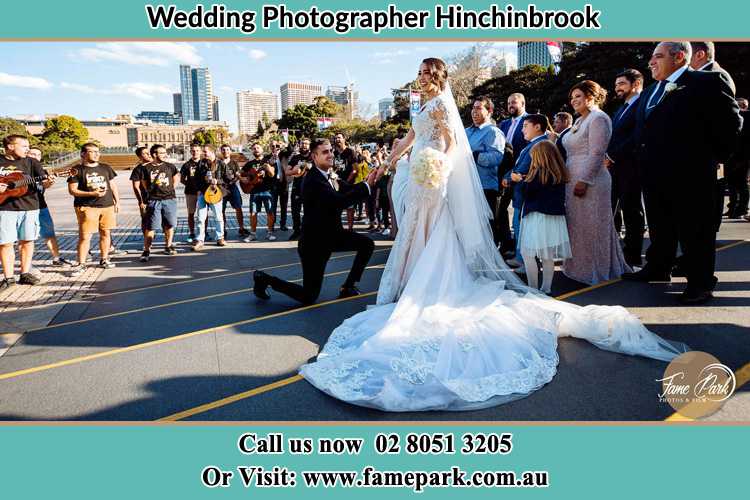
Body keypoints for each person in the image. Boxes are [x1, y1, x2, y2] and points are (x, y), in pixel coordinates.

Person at [298, 57, 685, 412]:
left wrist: (437, 170)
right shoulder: (421, 108)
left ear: (436, 78)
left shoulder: (442, 107)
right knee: (413, 234)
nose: (420, 79)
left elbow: (449, 147)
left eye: (424, 74)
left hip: (432, 179)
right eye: (419, 74)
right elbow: (410, 138)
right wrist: (390, 161)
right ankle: (407, 283)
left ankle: (426, 287)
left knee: (432, 234)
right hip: (417, 179)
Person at [625, 42, 742, 304]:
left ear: (679, 56)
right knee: (659, 225)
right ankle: (658, 268)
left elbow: (731, 124)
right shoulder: (651, 91)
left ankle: (700, 283)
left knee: (695, 230)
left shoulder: (706, 82)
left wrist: (710, 160)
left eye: (658, 56)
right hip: (653, 174)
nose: (651, 62)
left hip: (692, 175)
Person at [252, 138, 378, 304]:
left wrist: (368, 181)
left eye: (331, 151)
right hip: (314, 244)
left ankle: (348, 286)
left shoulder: (329, 175)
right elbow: (339, 201)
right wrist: (366, 187)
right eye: (325, 152)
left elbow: (348, 190)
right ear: (314, 157)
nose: (331, 155)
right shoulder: (313, 180)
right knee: (309, 296)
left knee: (367, 245)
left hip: (333, 235)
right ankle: (264, 279)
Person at [562, 80, 630, 285]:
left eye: (578, 97)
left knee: (593, 226)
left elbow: (597, 152)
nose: (574, 101)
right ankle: (578, 267)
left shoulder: (598, 118)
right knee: (577, 227)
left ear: (590, 97)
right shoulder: (579, 120)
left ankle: (596, 268)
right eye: (572, 98)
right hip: (572, 178)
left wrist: (584, 180)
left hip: (591, 181)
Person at [518, 140, 571, 294]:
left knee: (527, 254)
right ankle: (546, 288)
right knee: (547, 256)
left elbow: (527, 193)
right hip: (554, 219)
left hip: (537, 217)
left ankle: (533, 289)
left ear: (540, 157)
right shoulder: (559, 173)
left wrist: (520, 181)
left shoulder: (538, 174)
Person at [606, 69, 645, 267]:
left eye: (621, 83)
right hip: (615, 168)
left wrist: (612, 156)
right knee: (614, 209)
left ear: (635, 84)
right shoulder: (621, 108)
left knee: (632, 210)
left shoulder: (641, 104)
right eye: (616, 85)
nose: (617, 88)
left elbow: (636, 136)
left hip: (632, 166)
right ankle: (617, 251)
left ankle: (633, 255)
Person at [502, 114, 550, 271]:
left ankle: (525, 262)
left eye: (525, 126)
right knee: (518, 227)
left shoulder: (540, 145)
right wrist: (508, 176)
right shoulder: (532, 144)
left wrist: (511, 177)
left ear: (537, 127)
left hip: (527, 195)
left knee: (522, 229)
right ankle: (521, 258)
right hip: (522, 194)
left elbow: (523, 168)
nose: (522, 130)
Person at [0, 135, 47, 289]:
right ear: (10, 146)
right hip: (4, 208)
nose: (28, 149)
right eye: (24, 146)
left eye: (28, 146)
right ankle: (8, 278)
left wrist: (49, 181)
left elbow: (44, 181)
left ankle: (25, 273)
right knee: (5, 243)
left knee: (27, 241)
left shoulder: (31, 162)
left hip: (29, 206)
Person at [67, 143, 119, 276]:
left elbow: (113, 186)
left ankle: (104, 259)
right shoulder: (77, 169)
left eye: (98, 151)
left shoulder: (106, 168)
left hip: (107, 206)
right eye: (92, 151)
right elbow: (72, 190)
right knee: (85, 236)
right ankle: (81, 264)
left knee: (106, 233)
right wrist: (91, 194)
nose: (97, 154)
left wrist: (117, 202)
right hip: (87, 207)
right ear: (83, 154)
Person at [466, 96, 505, 245]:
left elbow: (496, 157)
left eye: (478, 108)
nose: (474, 112)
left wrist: (474, 156)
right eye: (473, 108)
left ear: (489, 111)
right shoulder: (466, 131)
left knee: (487, 228)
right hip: (466, 186)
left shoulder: (493, 132)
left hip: (485, 186)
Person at [28, 147, 71, 266]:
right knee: (25, 237)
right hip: (22, 207)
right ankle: (26, 264)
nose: (35, 156)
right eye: (32, 154)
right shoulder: (21, 169)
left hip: (40, 205)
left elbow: (45, 185)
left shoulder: (42, 171)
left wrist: (50, 182)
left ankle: (56, 258)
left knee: (49, 233)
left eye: (38, 154)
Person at [497, 93, 529, 253]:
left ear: (522, 103)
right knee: (501, 210)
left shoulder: (531, 121)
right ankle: (507, 243)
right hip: (504, 175)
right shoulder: (503, 124)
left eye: (514, 103)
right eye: (509, 103)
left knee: (520, 213)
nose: (510, 105)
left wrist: (519, 170)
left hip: (523, 173)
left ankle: (522, 250)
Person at [139, 144, 180, 262]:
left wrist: (173, 187)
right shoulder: (146, 168)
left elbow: (176, 176)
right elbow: (144, 183)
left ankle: (168, 246)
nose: (164, 154)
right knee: (151, 226)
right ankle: (146, 250)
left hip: (169, 199)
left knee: (170, 224)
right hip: (154, 200)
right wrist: (151, 194)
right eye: (161, 153)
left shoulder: (170, 166)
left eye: (164, 152)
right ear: (154, 154)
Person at [192, 145, 226, 250]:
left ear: (212, 152)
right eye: (204, 152)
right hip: (203, 193)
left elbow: (228, 178)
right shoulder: (201, 163)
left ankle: (220, 238)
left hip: (216, 193)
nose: (204, 153)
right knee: (200, 218)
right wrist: (198, 189)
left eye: (206, 152)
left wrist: (218, 181)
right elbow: (196, 178)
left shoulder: (221, 163)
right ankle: (200, 240)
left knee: (218, 217)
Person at [241, 143, 276, 241]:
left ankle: (269, 233)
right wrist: (244, 179)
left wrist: (268, 169)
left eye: (258, 148)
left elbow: (272, 174)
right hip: (254, 191)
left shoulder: (268, 161)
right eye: (254, 148)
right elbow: (240, 173)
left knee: (269, 212)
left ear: (262, 149)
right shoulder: (249, 163)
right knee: (253, 213)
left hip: (267, 190)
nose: (256, 149)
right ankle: (253, 234)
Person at [218, 144, 248, 238]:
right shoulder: (218, 163)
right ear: (221, 151)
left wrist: (234, 180)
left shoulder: (234, 163)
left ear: (230, 151)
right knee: (221, 210)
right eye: (223, 150)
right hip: (222, 189)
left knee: (238, 207)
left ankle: (241, 228)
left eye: (227, 150)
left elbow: (238, 174)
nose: (225, 151)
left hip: (233, 187)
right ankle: (223, 229)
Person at [285, 138, 311, 241]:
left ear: (309, 146)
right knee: (295, 211)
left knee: (309, 211)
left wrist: (310, 166)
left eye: (306, 144)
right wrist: (295, 170)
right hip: (297, 187)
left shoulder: (313, 156)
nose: (304, 145)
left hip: (310, 188)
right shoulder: (295, 157)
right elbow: (287, 171)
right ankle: (296, 231)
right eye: (302, 143)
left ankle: (308, 232)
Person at [333, 133, 357, 230]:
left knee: (350, 208)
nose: (337, 139)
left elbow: (355, 169)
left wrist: (346, 182)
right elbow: (331, 167)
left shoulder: (350, 152)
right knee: (335, 207)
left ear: (344, 139)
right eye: (336, 138)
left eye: (339, 138)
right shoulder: (333, 153)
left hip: (348, 184)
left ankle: (350, 229)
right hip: (335, 184)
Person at [179, 144, 203, 243]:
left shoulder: (204, 163)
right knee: (191, 213)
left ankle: (203, 232)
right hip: (190, 192)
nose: (195, 152)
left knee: (202, 214)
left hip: (202, 192)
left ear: (200, 151)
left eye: (197, 150)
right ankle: (192, 233)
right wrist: (190, 185)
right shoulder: (187, 165)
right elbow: (181, 179)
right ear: (190, 152)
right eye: (193, 150)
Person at [269, 140, 289, 232]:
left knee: (284, 206)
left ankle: (283, 224)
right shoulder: (268, 157)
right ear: (270, 147)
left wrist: (284, 144)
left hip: (284, 184)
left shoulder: (284, 155)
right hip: (273, 184)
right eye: (272, 146)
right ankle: (271, 225)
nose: (275, 147)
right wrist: (272, 159)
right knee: (272, 206)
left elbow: (291, 149)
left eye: (276, 146)